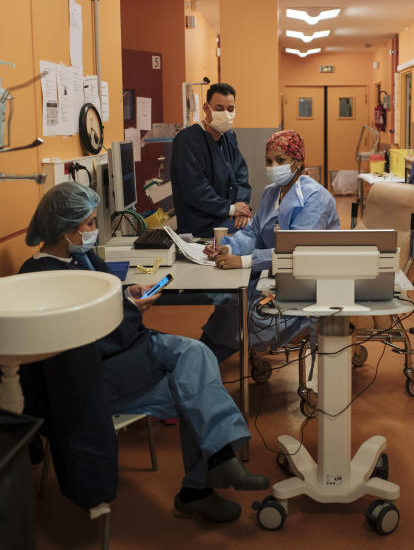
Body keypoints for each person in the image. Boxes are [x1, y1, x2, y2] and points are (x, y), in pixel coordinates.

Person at [18, 181, 269, 523]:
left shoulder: (81, 256)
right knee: (195, 385)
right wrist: (132, 309)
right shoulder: (40, 277)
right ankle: (204, 482)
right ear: (65, 229)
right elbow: (87, 340)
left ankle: (213, 472)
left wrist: (125, 293)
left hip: (128, 350)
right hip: (95, 373)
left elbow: (105, 300)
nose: (94, 231)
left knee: (197, 359)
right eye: (90, 224)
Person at [201, 130, 340, 362]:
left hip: (307, 284)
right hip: (274, 275)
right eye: (268, 161)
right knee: (230, 301)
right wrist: (228, 247)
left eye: (281, 160)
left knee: (247, 313)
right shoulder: (270, 194)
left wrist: (244, 261)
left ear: (298, 162)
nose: (273, 166)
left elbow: (298, 253)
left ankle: (202, 362)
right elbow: (253, 232)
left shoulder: (315, 199)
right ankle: (202, 358)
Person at [170, 83, 252, 238]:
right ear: (206, 108)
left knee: (256, 229)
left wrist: (242, 208)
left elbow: (241, 174)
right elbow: (194, 188)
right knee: (251, 233)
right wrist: (231, 209)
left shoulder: (228, 137)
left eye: (230, 109)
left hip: (227, 217)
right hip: (201, 226)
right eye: (219, 108)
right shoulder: (187, 140)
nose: (225, 114)